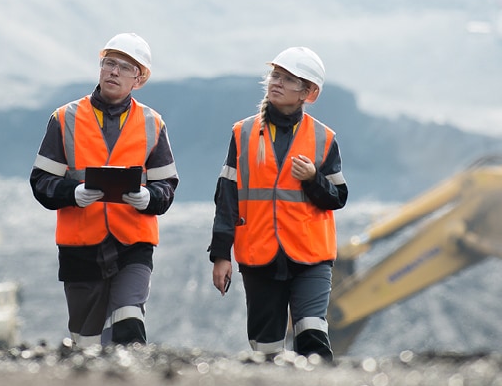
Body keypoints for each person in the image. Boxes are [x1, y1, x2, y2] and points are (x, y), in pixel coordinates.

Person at [30, 33, 178, 347]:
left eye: (125, 67)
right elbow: (41, 182)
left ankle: (131, 378)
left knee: (128, 323)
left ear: (139, 79)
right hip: (80, 247)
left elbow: (166, 185)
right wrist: (72, 193)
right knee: (86, 342)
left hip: (133, 245)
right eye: (109, 63)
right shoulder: (64, 119)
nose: (113, 71)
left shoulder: (153, 124)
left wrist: (149, 198)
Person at [208, 47, 347, 361]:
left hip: (311, 256)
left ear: (307, 93)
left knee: (312, 335)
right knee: (266, 349)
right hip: (259, 256)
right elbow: (227, 198)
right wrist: (220, 254)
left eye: (288, 79)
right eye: (275, 75)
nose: (277, 82)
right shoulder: (242, 134)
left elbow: (338, 197)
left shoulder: (324, 138)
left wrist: (313, 179)